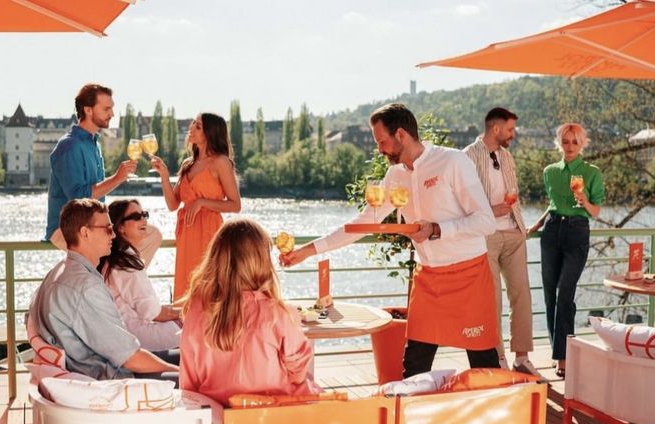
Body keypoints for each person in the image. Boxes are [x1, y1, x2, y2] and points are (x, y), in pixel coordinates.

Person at [282, 103, 500, 377]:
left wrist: (436, 229)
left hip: (469, 276)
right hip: (428, 279)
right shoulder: (395, 175)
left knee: (484, 363)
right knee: (414, 366)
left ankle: (504, 404)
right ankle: (409, 406)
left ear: (400, 134)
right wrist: (307, 251)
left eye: (381, 141)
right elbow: (363, 222)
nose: (379, 149)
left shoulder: (453, 162)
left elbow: (486, 221)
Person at [29, 198, 178, 380]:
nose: (113, 235)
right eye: (107, 229)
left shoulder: (58, 272)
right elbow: (129, 358)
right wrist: (180, 372)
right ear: (85, 233)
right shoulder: (86, 287)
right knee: (196, 375)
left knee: (190, 359)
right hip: (111, 380)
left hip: (89, 368)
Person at [179, 219, 320, 406]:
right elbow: (298, 374)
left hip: (217, 414)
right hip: (269, 414)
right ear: (261, 261)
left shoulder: (197, 309)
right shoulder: (280, 314)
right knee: (316, 393)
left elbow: (188, 381)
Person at [463, 107, 541, 377]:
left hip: (514, 233)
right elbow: (462, 201)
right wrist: (490, 210)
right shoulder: (467, 157)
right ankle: (498, 358)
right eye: (510, 129)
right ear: (495, 129)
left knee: (522, 295)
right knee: (492, 300)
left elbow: (512, 194)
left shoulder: (507, 156)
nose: (513, 134)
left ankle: (522, 358)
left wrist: (519, 223)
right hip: (486, 236)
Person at [528, 123, 604, 378]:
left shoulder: (591, 172)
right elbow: (553, 205)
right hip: (551, 232)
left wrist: (585, 201)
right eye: (565, 141)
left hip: (577, 232)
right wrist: (536, 225)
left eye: (575, 141)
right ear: (559, 143)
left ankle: (564, 356)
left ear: (582, 144)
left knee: (564, 294)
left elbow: (596, 211)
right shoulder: (550, 172)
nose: (570, 146)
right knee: (550, 295)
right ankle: (557, 351)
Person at [155, 112, 241, 300]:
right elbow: (173, 204)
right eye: (193, 123)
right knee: (186, 288)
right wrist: (164, 176)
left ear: (210, 133)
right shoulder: (188, 164)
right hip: (186, 233)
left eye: (198, 126)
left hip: (209, 232)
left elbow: (235, 205)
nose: (191, 128)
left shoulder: (220, 162)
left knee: (207, 288)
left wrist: (201, 202)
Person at [45, 83, 137, 249]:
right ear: (88, 110)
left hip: (93, 226)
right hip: (66, 229)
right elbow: (79, 198)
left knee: (147, 235)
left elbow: (96, 197)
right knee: (118, 255)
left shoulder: (94, 143)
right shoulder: (69, 146)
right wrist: (117, 178)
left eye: (112, 108)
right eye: (106, 109)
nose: (112, 114)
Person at [98, 199, 182, 357]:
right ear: (120, 227)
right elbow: (153, 312)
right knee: (199, 325)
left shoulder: (115, 258)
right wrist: (184, 314)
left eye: (144, 214)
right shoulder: (126, 264)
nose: (143, 219)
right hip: (136, 338)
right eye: (136, 216)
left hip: (122, 334)